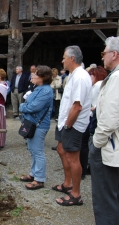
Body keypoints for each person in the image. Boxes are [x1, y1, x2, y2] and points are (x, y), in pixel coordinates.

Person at [53, 46, 92, 206]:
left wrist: (68, 125)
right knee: (62, 150)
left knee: (73, 157)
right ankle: (67, 183)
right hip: (65, 122)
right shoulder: (74, 75)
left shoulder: (81, 77)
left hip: (73, 124)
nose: (62, 60)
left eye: (64, 57)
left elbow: (77, 106)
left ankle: (76, 194)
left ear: (72, 59)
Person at [90, 36, 119, 224]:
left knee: (105, 201)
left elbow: (109, 119)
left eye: (104, 53)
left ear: (114, 54)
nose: (102, 58)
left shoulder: (116, 78)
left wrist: (96, 143)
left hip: (109, 147)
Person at [19, 65, 53, 190]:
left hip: (39, 125)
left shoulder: (45, 91)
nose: (33, 76)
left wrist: (22, 107)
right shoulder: (39, 88)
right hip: (32, 123)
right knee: (32, 150)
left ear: (44, 77)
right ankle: (33, 174)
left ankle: (39, 179)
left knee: (38, 152)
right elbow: (29, 103)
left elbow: (33, 107)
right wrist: (25, 105)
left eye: (36, 74)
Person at [79, 66, 107, 180]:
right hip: (93, 117)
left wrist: (94, 108)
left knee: (85, 144)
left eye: (91, 75)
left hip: (92, 118)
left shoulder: (97, 85)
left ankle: (83, 169)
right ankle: (87, 167)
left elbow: (100, 102)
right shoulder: (100, 84)